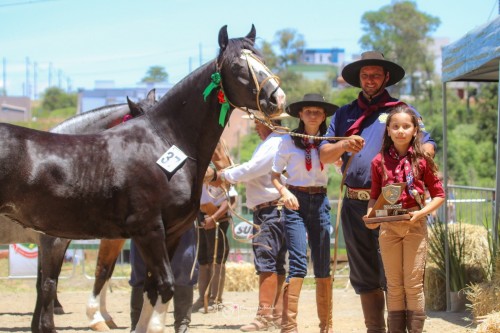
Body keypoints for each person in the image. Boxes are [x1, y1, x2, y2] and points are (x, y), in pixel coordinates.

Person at [319, 51, 436, 333]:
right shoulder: (344, 114)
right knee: (363, 271)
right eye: (364, 75)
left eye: (375, 75)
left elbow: (429, 145)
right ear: (358, 79)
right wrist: (343, 145)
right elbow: (324, 154)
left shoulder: (401, 110)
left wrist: (413, 158)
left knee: (395, 272)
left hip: (393, 203)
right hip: (354, 203)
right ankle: (375, 329)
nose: (369, 80)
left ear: (385, 77)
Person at [363, 105, 445, 332]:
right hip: (389, 228)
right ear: (388, 130)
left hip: (414, 225)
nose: (400, 131)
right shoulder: (378, 162)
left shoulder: (422, 161)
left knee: (413, 283)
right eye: (395, 126)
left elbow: (439, 195)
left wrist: (421, 213)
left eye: (406, 126)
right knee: (394, 285)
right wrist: (371, 216)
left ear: (415, 130)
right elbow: (374, 197)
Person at [214, 111, 288, 331]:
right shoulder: (275, 142)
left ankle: (264, 316)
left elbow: (253, 169)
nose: (256, 126)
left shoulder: (273, 143)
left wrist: (225, 176)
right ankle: (275, 314)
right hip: (275, 209)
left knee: (266, 261)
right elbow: (253, 168)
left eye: (257, 123)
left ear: (267, 122)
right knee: (276, 262)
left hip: (270, 210)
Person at [271, 93, 338, 333]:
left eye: (318, 112)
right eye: (308, 111)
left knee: (322, 264)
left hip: (320, 200)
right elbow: (275, 175)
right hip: (295, 202)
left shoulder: (329, 142)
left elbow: (342, 164)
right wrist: (284, 192)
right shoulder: (288, 141)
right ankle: (289, 325)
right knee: (298, 262)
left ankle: (326, 325)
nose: (313, 115)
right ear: (300, 114)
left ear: (324, 116)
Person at [129, 223, 198, 333]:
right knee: (141, 267)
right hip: (144, 219)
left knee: (184, 263)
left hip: (180, 218)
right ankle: (137, 325)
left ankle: (182, 324)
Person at [192, 176, 237, 314]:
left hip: (219, 217)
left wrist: (214, 217)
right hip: (201, 216)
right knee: (203, 257)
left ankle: (215, 300)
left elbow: (230, 200)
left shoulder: (223, 179)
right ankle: (202, 298)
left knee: (217, 257)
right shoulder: (198, 178)